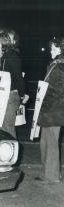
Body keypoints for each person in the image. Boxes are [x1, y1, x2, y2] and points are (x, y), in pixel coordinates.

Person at [36, 37, 64, 183]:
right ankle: (48, 172)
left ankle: (52, 176)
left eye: (54, 48)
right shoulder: (55, 64)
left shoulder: (59, 66)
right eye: (51, 48)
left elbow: (60, 89)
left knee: (51, 143)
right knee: (45, 142)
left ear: (61, 50)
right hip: (50, 109)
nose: (51, 51)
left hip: (54, 110)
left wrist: (45, 96)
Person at [0, 32, 24, 137]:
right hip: (0, 96)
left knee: (8, 128)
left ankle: (11, 151)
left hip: (10, 97)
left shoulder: (12, 57)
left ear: (2, 43)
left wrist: (22, 94)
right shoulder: (0, 58)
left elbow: (18, 78)